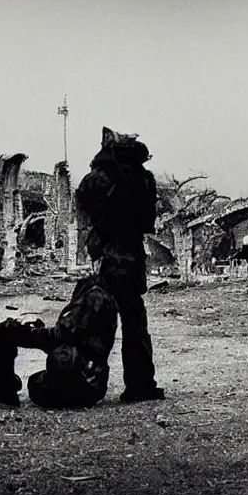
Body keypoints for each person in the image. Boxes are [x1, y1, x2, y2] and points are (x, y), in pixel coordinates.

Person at [74, 127, 165, 402]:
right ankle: (140, 384)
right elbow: (149, 219)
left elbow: (81, 205)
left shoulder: (98, 178)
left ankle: (82, 380)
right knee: (134, 322)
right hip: (133, 256)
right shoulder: (143, 178)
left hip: (107, 256)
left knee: (93, 320)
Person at [0, 274, 120, 408]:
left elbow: (60, 337)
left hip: (81, 382)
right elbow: (72, 338)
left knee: (3, 336)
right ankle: (2, 388)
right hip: (94, 383)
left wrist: (26, 331)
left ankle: (1, 391)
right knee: (35, 379)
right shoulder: (104, 299)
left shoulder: (93, 297)